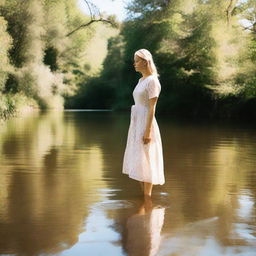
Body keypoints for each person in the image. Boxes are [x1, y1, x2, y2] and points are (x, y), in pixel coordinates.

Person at [122, 48, 165, 197]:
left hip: (147, 123)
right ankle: (145, 200)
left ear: (145, 62)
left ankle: (148, 198)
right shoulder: (141, 80)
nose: (134, 63)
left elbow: (152, 108)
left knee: (147, 159)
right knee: (138, 159)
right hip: (137, 123)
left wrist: (147, 132)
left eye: (137, 60)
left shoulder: (153, 81)